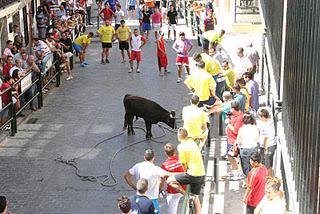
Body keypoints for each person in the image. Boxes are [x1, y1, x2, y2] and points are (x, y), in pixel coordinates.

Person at [167, 128, 205, 214]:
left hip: (192, 174)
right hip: (201, 173)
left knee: (169, 180)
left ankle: (186, 195)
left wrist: (185, 172)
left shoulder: (181, 147)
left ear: (178, 137)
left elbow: (183, 164)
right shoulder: (192, 142)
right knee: (196, 197)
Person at [124, 149, 171, 213]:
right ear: (154, 157)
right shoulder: (155, 169)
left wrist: (134, 187)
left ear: (144, 157)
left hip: (139, 198)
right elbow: (168, 174)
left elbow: (126, 176)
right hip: (153, 199)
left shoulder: (137, 166)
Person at [160, 143, 186, 214]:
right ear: (175, 151)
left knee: (171, 212)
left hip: (173, 191)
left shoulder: (164, 165)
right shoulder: (182, 159)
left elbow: (161, 181)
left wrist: (160, 190)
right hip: (185, 188)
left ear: (165, 153)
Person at [235, 113, 259, 178]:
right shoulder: (255, 128)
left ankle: (248, 180)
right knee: (253, 165)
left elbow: (238, 140)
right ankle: (253, 179)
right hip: (253, 148)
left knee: (245, 166)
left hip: (244, 149)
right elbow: (257, 139)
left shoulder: (241, 129)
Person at [226, 101, 244, 180]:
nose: (230, 110)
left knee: (231, 156)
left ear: (234, 109)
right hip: (231, 139)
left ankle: (236, 172)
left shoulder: (239, 117)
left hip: (234, 140)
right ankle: (234, 171)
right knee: (231, 156)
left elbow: (235, 130)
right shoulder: (235, 114)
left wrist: (228, 124)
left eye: (231, 108)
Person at [257, 108, 277, 176]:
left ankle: (269, 178)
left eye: (259, 117)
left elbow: (266, 138)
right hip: (269, 145)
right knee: (267, 162)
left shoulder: (266, 125)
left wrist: (265, 149)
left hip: (268, 145)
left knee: (267, 163)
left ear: (262, 117)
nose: (259, 118)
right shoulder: (270, 121)